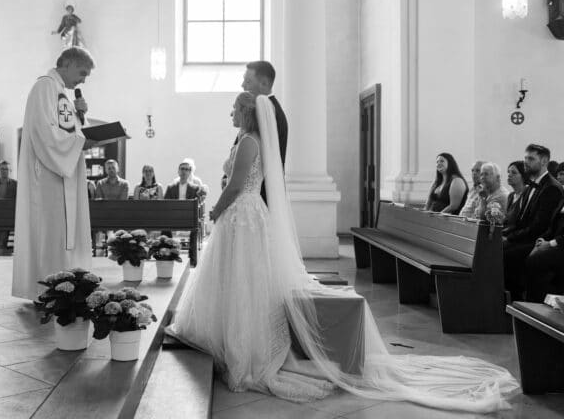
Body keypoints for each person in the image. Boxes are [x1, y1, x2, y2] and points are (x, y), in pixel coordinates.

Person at [166, 92, 518, 412]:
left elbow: (237, 185)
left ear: (246, 111)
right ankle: (231, 339)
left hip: (241, 214)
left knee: (242, 278)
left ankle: (239, 346)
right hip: (244, 216)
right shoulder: (250, 139)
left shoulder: (248, 141)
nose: (230, 112)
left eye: (234, 108)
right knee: (240, 278)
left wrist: (215, 211)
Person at [12, 47, 94, 300]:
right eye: (82, 73)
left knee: (62, 233)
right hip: (49, 177)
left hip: (62, 175)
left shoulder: (60, 92)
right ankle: (49, 290)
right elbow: (43, 132)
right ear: (67, 64)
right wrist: (80, 143)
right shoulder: (45, 87)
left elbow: (68, 132)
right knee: (51, 233)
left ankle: (65, 286)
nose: (83, 80)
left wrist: (81, 117)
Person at [503, 144, 564, 301]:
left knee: (506, 253)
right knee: (494, 247)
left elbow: (539, 226)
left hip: (535, 238)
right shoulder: (530, 185)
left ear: (544, 161)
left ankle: (515, 301)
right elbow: (520, 220)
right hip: (529, 237)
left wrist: (510, 238)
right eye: (525, 158)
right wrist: (504, 234)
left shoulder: (551, 188)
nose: (526, 162)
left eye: (531, 158)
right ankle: (500, 298)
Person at [233, 60, 287, 205]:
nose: (243, 86)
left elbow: (258, 159)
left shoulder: (269, 114)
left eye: (248, 81)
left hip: (260, 196)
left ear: (264, 84)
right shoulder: (263, 110)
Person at [503, 160, 527, 235]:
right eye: (508, 172)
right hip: (506, 232)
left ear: (523, 176)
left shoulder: (526, 195)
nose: (509, 175)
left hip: (517, 235)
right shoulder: (511, 196)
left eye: (514, 173)